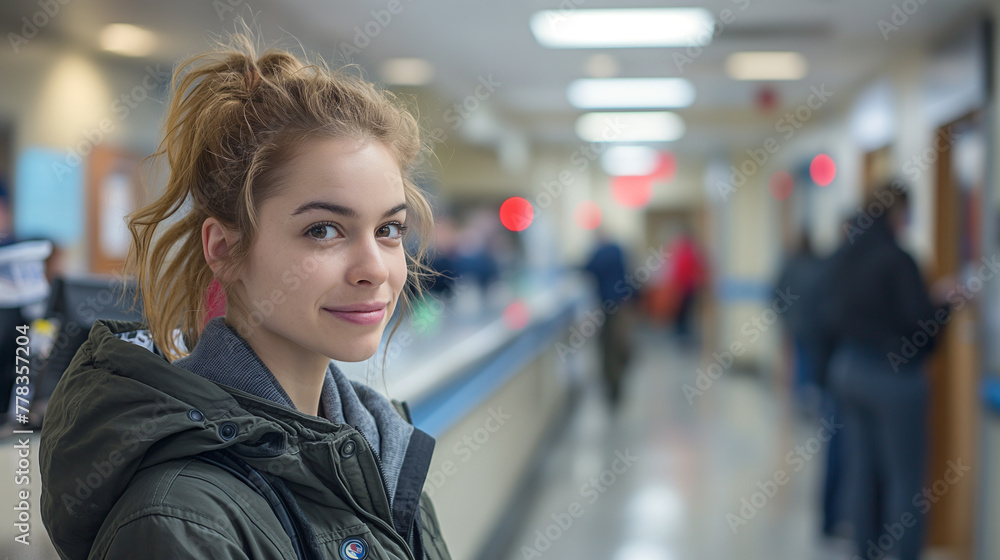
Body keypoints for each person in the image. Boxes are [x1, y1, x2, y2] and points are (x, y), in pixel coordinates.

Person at [39, 30, 453, 560]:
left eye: (389, 230)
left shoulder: (379, 453)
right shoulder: (182, 521)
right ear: (226, 249)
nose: (374, 268)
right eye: (324, 230)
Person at [818, 178, 951, 560]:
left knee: (861, 470)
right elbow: (919, 322)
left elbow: (827, 313)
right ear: (898, 212)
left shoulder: (845, 254)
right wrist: (943, 304)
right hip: (893, 378)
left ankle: (866, 550)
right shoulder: (897, 258)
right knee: (905, 477)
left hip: (848, 370)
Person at [582, 228, 634, 409]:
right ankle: (617, 378)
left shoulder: (600, 253)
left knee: (609, 345)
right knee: (618, 341)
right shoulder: (619, 250)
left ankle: (613, 384)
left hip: (607, 306)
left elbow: (587, 269)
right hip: (621, 303)